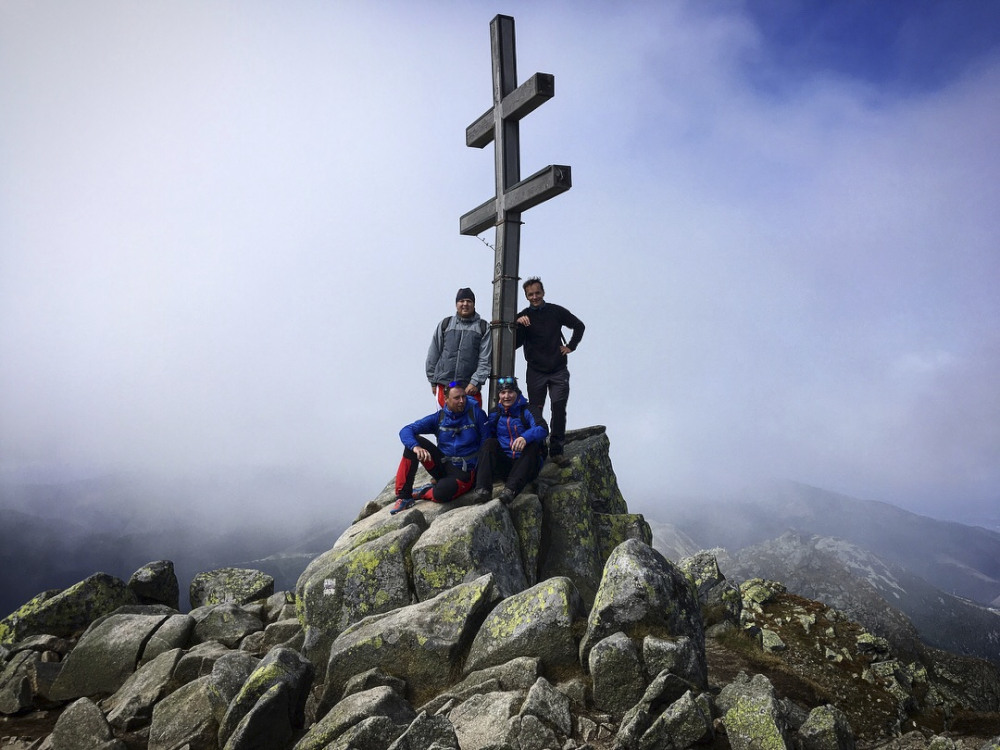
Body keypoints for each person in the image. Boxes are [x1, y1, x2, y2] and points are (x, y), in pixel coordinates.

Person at [515, 276, 584, 463]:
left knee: (559, 408)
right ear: (526, 296)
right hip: (535, 371)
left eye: (538, 293)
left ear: (543, 292)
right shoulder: (523, 316)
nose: (535, 297)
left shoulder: (556, 311)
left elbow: (579, 325)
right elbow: (514, 344)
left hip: (558, 369)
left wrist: (570, 346)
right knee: (535, 412)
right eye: (531, 294)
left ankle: (556, 451)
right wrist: (517, 324)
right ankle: (538, 449)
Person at [391, 381, 487, 514]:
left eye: (463, 397)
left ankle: (423, 492)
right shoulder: (439, 418)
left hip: (464, 471)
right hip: (443, 465)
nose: (462, 401)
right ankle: (403, 496)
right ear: (446, 399)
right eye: (457, 398)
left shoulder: (476, 414)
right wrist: (416, 447)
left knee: (442, 492)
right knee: (413, 444)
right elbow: (406, 430)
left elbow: (486, 443)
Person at [471, 376, 548, 504]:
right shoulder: (495, 414)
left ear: (516, 393)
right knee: (489, 443)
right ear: (499, 395)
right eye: (503, 392)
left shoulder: (528, 410)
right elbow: (486, 434)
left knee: (533, 445)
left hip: (527, 466)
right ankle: (483, 490)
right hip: (506, 465)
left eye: (510, 392)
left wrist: (525, 437)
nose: (507, 396)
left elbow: (543, 428)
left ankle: (510, 490)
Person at [426, 287, 492, 406]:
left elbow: (485, 359)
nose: (465, 304)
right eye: (461, 301)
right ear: (456, 304)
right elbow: (433, 353)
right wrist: (433, 381)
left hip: (469, 387)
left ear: (474, 304)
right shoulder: (445, 324)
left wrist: (475, 382)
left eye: (469, 301)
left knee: (472, 422)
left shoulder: (483, 327)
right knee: (446, 422)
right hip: (444, 386)